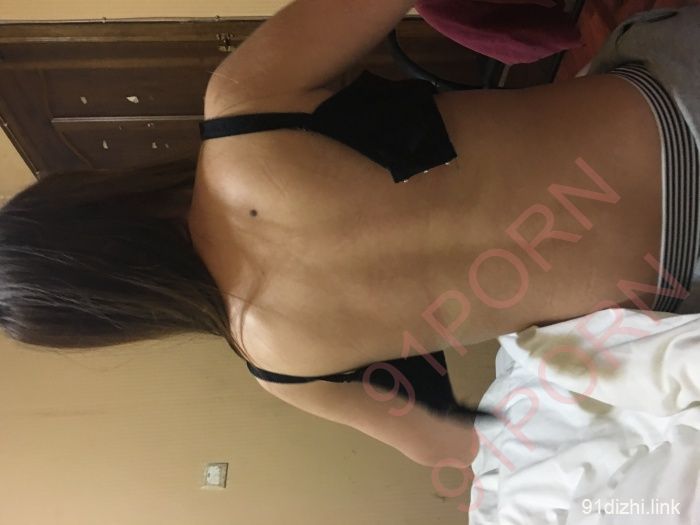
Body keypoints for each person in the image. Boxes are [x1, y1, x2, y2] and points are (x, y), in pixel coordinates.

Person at [1, 1, 698, 468]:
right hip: (677, 101)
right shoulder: (242, 109)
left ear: (113, 321)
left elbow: (457, 448)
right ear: (90, 197)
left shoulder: (283, 368)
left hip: (679, 271)